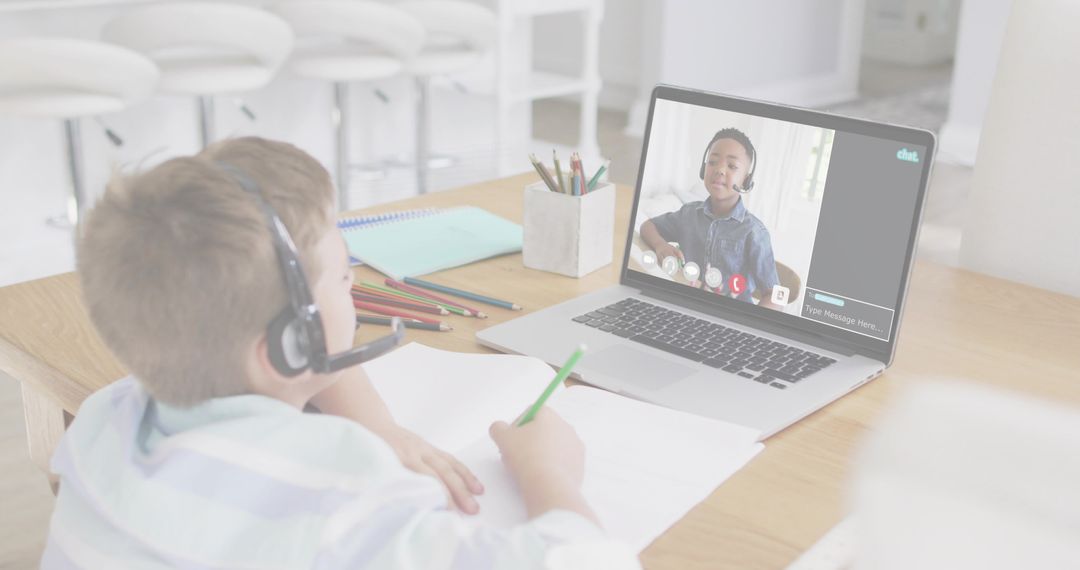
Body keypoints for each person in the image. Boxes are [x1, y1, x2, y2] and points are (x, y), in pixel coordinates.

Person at [42, 137, 606, 568]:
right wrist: (549, 473)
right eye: (343, 276)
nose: (353, 284)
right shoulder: (341, 486)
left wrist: (382, 425)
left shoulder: (102, 421)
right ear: (289, 343)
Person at [640, 128, 782, 309]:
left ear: (746, 180)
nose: (720, 170)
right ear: (703, 168)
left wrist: (750, 324)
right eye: (713, 162)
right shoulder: (688, 214)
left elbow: (776, 296)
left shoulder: (754, 232)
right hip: (684, 307)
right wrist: (660, 245)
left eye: (732, 166)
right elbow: (648, 226)